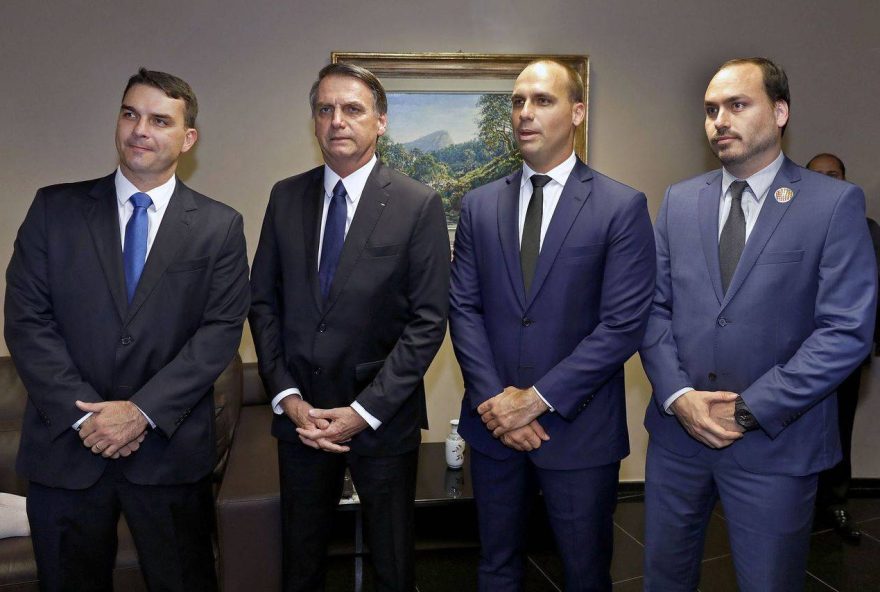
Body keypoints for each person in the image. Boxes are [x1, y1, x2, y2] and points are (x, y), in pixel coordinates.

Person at [5, 68, 250, 591]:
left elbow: (218, 333)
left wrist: (140, 412)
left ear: (187, 139)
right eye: (130, 114)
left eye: (160, 120)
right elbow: (27, 320)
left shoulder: (219, 226)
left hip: (168, 456)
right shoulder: (54, 209)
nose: (141, 129)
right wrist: (86, 419)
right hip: (66, 451)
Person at [640, 58, 877, 591]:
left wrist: (748, 409)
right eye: (710, 110)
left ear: (780, 111)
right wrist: (679, 396)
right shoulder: (680, 200)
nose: (719, 120)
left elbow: (845, 333)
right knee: (662, 580)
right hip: (679, 440)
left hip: (776, 444)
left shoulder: (834, 204)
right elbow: (652, 310)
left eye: (736, 105)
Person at [449, 59, 656, 591]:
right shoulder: (477, 205)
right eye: (518, 102)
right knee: (496, 567)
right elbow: (464, 309)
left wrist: (535, 399)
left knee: (585, 574)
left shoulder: (620, 206)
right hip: (493, 426)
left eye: (542, 100)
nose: (525, 112)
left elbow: (622, 325)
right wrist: (499, 403)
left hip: (578, 430)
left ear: (578, 112)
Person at [249, 62, 449, 592]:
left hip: (381, 416)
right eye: (325, 109)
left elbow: (428, 322)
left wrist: (364, 412)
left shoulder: (417, 203)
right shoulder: (284, 197)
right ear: (314, 121)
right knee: (302, 559)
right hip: (302, 419)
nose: (337, 120)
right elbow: (263, 303)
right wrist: (287, 396)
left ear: (380, 121)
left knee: (391, 561)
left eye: (352, 109)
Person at [806, 152, 880, 543]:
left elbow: (875, 290)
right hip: (797, 357)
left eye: (833, 174)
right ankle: (798, 504)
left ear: (846, 179)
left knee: (839, 428)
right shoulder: (792, 225)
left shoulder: (867, 229)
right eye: (818, 176)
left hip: (846, 356)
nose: (827, 181)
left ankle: (836, 502)